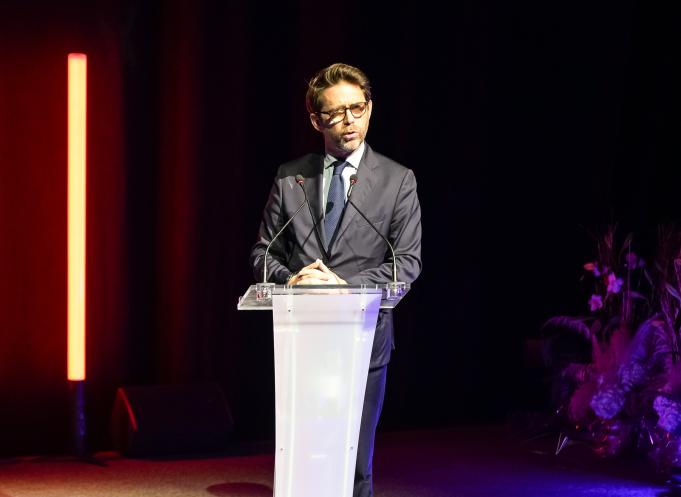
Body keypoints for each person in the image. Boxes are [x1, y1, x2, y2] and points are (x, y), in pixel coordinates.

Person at [249, 62, 422, 497]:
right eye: (334, 114)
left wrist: (344, 288)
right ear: (315, 120)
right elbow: (262, 254)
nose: (348, 122)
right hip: (302, 340)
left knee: (354, 460)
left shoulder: (398, 181)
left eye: (357, 109)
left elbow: (406, 263)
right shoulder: (292, 177)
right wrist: (292, 280)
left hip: (363, 339)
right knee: (306, 458)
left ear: (370, 108)